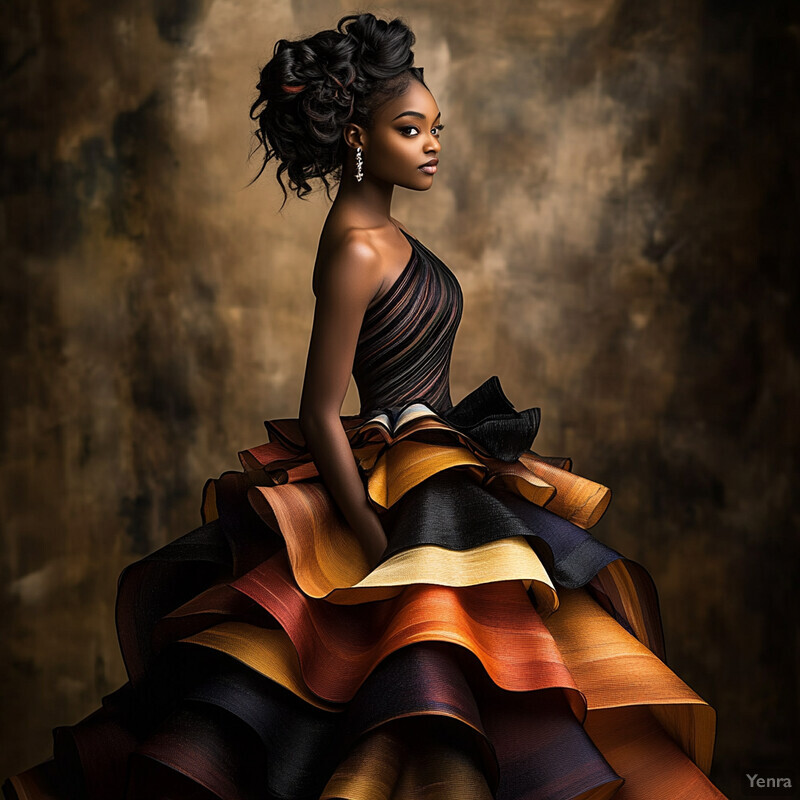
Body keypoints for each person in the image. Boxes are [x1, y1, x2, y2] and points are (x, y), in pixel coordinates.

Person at [3, 11, 730, 800]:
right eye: (411, 128)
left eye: (436, 128)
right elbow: (320, 410)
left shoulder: (380, 230)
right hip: (395, 493)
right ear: (357, 136)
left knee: (497, 680)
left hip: (442, 470)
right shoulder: (354, 243)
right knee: (412, 690)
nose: (433, 144)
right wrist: (372, 528)